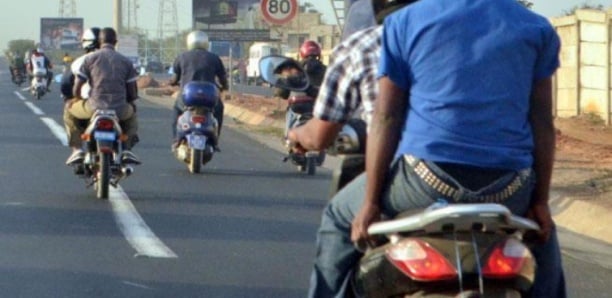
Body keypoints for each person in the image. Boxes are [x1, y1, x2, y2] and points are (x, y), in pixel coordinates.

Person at [306, 0, 566, 298]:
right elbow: (543, 122)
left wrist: (370, 203)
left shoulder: (404, 23)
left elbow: (386, 117)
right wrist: (541, 202)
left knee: (338, 216)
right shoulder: (536, 27)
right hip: (509, 188)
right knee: (543, 237)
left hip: (424, 181)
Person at [64, 27, 140, 165]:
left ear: (100, 41)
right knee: (132, 116)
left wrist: (76, 99)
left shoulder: (90, 59)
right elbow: (132, 92)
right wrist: (131, 103)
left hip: (94, 106)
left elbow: (77, 86)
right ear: (115, 42)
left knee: (69, 111)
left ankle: (76, 150)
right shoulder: (126, 62)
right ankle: (127, 148)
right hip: (119, 109)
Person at [168, 30, 228, 151]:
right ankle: (215, 140)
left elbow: (175, 78)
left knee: (177, 111)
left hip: (188, 96)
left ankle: (176, 140)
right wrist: (224, 87)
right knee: (219, 110)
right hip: (208, 97)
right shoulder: (214, 58)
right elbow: (223, 78)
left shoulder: (181, 57)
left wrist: (172, 83)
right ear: (205, 43)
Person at [60, 27, 101, 101]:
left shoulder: (79, 61)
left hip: (88, 102)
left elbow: (65, 84)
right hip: (115, 104)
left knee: (68, 107)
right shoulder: (117, 60)